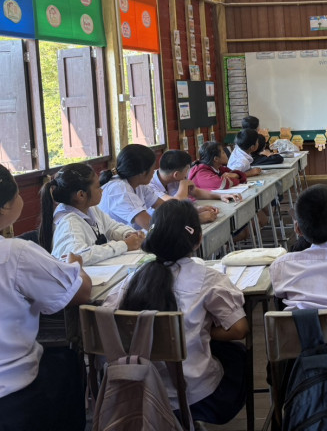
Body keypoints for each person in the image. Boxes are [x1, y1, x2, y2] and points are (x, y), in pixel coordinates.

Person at [103, 200, 248, 425]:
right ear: (198, 240)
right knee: (236, 354)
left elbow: (108, 319)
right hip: (197, 397)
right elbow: (239, 329)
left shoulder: (133, 279)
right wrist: (201, 330)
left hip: (140, 391)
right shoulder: (208, 278)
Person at [0, 164, 92, 431]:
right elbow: (81, 291)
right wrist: (76, 267)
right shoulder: (15, 253)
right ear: (5, 207)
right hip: (15, 394)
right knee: (66, 361)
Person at [38, 163, 145, 265]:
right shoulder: (69, 223)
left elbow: (112, 227)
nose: (101, 190)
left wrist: (129, 234)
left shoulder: (90, 209)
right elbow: (77, 256)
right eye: (97, 187)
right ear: (81, 195)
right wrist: (124, 245)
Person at [150, 150, 242, 223]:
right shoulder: (150, 186)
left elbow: (195, 192)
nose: (187, 174)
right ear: (176, 174)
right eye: (187, 171)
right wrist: (184, 184)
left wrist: (220, 196)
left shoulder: (172, 176)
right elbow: (175, 205)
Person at [98, 143, 165, 230]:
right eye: (153, 168)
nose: (154, 171)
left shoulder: (138, 184)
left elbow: (165, 208)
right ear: (143, 172)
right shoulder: (119, 189)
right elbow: (151, 226)